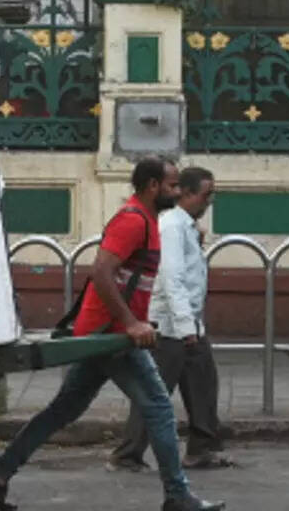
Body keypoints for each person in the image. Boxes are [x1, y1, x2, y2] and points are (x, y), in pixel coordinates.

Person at [0, 158, 225, 511]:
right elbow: (102, 271)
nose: (178, 191)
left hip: (105, 331)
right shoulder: (133, 220)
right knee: (159, 407)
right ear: (152, 186)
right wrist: (130, 323)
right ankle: (177, 494)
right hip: (111, 335)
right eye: (172, 185)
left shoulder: (149, 220)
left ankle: (0, 470)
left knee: (65, 409)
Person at [110, 166, 228, 471]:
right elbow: (172, 279)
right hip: (170, 326)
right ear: (187, 193)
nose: (209, 202)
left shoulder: (185, 226)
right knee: (156, 391)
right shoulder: (172, 227)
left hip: (187, 322)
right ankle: (128, 454)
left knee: (203, 382)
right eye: (206, 195)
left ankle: (202, 447)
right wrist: (187, 327)